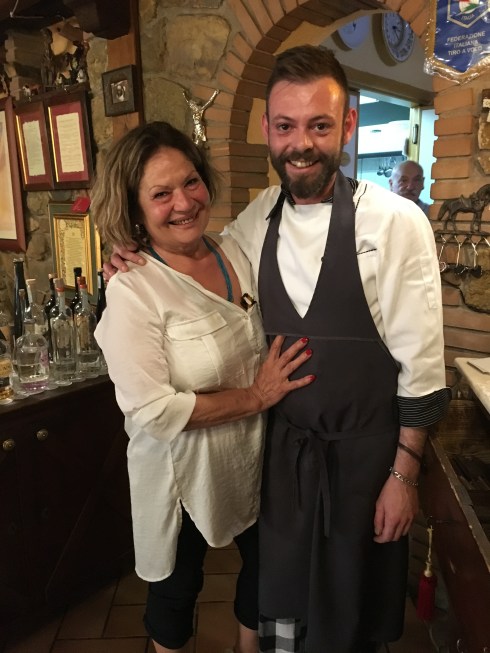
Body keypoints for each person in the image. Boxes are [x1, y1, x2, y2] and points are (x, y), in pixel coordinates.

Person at [105, 46, 449, 653]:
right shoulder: (257, 219)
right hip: (283, 465)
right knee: (281, 611)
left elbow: (422, 370)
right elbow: (183, 257)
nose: (301, 144)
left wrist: (404, 474)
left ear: (348, 125)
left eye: (320, 125)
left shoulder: (396, 223)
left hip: (364, 465)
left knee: (351, 618)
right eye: (286, 126)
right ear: (267, 129)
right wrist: (127, 254)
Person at [90, 121, 314, 653]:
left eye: (190, 182)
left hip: (247, 453)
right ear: (134, 208)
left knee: (264, 566)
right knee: (176, 590)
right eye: (160, 194)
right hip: (179, 471)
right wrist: (257, 397)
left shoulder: (235, 249)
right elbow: (152, 410)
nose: (184, 203)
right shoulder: (133, 289)